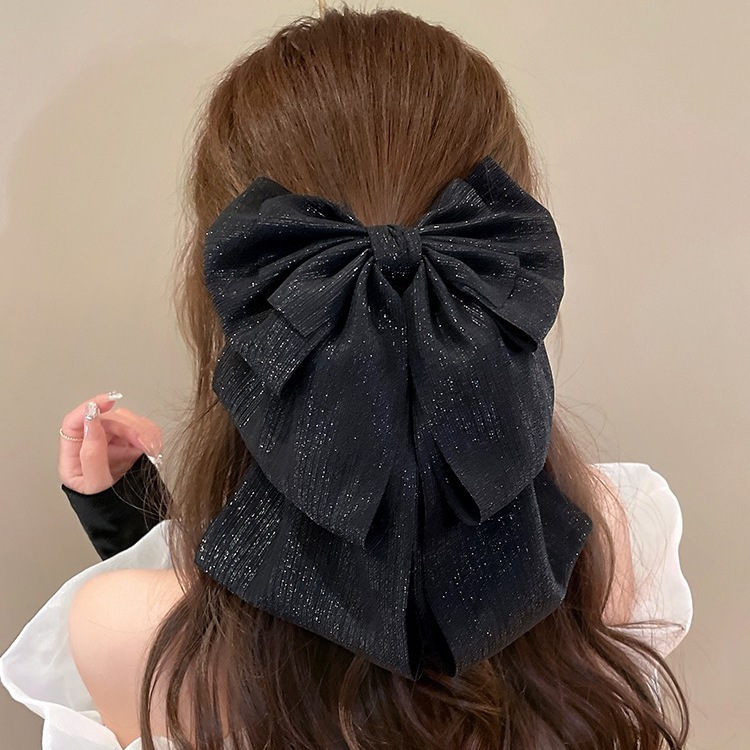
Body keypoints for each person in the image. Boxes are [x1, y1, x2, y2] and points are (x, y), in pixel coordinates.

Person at [0, 6, 693, 750]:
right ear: (504, 267)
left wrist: (129, 530)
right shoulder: (608, 546)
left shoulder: (122, 634)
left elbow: (230, 642)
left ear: (238, 285)